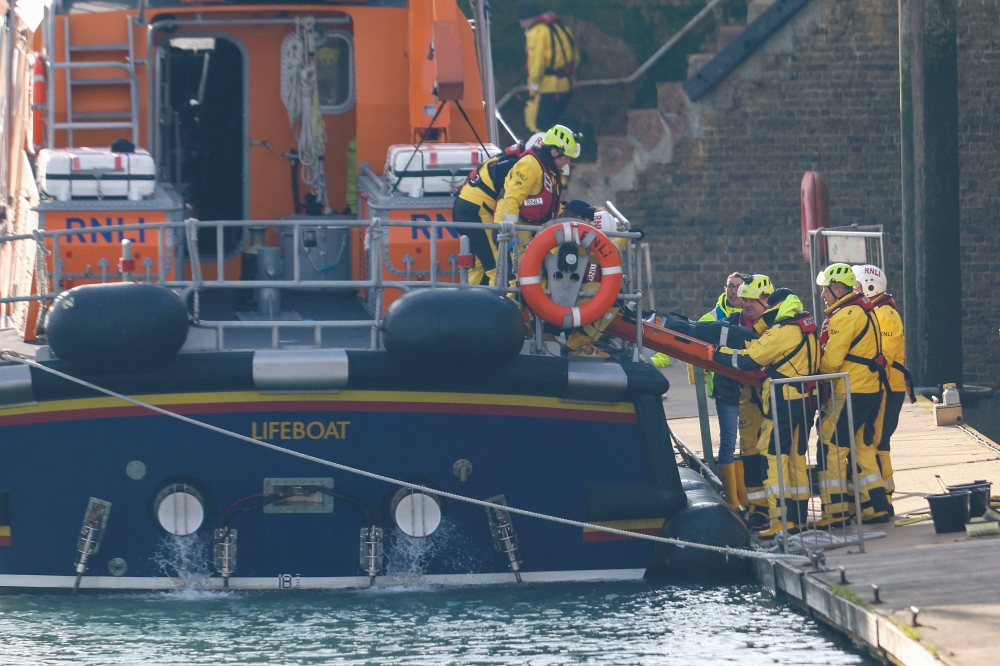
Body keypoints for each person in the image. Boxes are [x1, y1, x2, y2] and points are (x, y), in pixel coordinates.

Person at [713, 288, 819, 537]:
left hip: (782, 403)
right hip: (804, 402)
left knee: (774, 460)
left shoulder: (782, 332)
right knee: (796, 459)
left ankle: (781, 521)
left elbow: (750, 359)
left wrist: (718, 353)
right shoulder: (807, 329)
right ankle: (798, 518)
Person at [815, 263, 891, 526]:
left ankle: (835, 513)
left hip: (851, 390)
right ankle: (876, 507)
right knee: (861, 447)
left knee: (831, 446)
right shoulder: (863, 310)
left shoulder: (845, 315)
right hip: (870, 389)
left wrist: (815, 370)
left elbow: (832, 362)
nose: (822, 295)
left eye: (824, 290)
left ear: (837, 289)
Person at [852, 264, 911, 510]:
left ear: (868, 287)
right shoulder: (877, 311)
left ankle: (884, 495)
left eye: (855, 286)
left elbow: (882, 356)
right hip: (885, 386)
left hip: (886, 387)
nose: (852, 290)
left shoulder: (884, 315)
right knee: (877, 441)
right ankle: (881, 494)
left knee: (879, 441)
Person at [493, 124, 580, 284]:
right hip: (514, 228)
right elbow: (512, 199)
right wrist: (509, 232)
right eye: (566, 157)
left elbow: (550, 202)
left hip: (531, 228)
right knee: (518, 280)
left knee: (538, 278)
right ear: (554, 152)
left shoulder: (551, 169)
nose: (568, 162)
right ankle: (511, 308)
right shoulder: (530, 165)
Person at [453, 133, 544, 285]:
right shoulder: (523, 167)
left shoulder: (511, 161)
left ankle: (469, 304)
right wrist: (509, 230)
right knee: (498, 266)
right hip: (478, 210)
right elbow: (511, 202)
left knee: (481, 266)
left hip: (466, 207)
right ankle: (497, 307)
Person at [724, 274, 773, 526]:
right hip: (748, 399)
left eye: (754, 300)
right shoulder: (733, 324)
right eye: (745, 301)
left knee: (776, 452)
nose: (748, 306)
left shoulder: (779, 323)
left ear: (767, 299)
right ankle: (759, 509)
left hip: (775, 395)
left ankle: (780, 506)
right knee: (751, 453)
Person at [516, 1, 579, 133]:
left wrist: (532, 92)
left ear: (526, 17)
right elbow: (576, 58)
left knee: (538, 128)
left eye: (520, 18)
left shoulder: (536, 33)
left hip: (548, 89)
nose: (519, 22)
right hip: (567, 86)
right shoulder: (560, 27)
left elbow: (536, 66)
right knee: (556, 129)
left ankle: (541, 153)